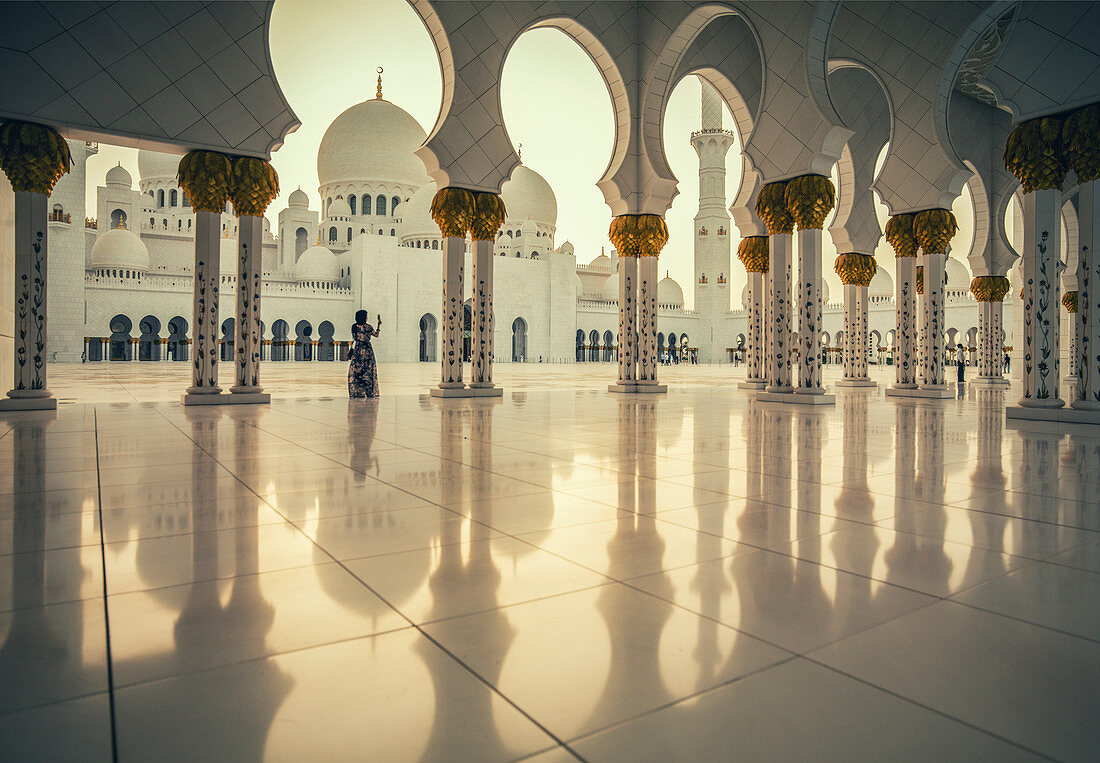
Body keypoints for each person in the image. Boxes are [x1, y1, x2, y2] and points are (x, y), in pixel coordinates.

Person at [348, 309, 381, 398]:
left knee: (357, 371)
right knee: (368, 371)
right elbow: (376, 335)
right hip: (367, 350)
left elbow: (355, 338)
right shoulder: (368, 327)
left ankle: (358, 392)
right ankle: (369, 392)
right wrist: (379, 325)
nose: (367, 317)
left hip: (357, 349)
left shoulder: (354, 327)